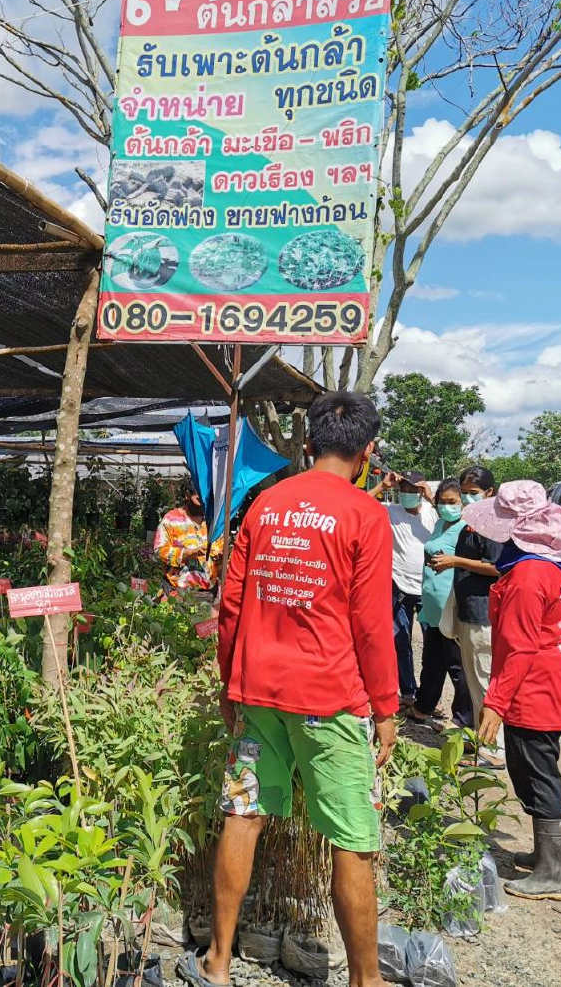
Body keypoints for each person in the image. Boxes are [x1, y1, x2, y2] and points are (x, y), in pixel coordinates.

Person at [178, 391, 396, 987]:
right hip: (330, 699)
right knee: (352, 838)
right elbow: (372, 624)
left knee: (244, 815)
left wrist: (230, 683)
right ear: (367, 452)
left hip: (258, 693)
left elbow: (231, 605)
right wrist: (385, 707)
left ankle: (218, 961)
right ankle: (366, 981)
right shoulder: (365, 514)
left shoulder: (265, 505)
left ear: (307, 445)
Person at [465, 481, 561, 901]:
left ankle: (555, 874)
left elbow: (519, 648)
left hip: (533, 689)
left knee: (536, 775)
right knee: (540, 769)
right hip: (552, 684)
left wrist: (495, 703)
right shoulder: (553, 564)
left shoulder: (527, 576)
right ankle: (545, 856)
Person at [428, 465, 504, 766]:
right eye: (465, 493)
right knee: (474, 681)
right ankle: (479, 737)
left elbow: (497, 567)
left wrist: (456, 561)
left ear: (489, 492)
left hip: (482, 614)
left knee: (484, 680)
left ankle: (494, 749)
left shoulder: (492, 526)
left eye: (473, 493)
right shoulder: (472, 523)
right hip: (468, 611)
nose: (467, 498)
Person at [404, 479, 472, 728]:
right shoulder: (441, 523)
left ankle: (464, 721)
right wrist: (431, 497)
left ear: (463, 503)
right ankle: (423, 706)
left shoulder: (467, 528)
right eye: (442, 502)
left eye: (452, 502)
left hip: (451, 607)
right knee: (432, 661)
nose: (446, 507)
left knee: (457, 666)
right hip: (432, 606)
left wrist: (453, 561)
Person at [370, 470, 437, 705]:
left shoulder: (432, 512)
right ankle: (408, 692)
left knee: (433, 645)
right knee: (400, 642)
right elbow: (357, 504)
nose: (407, 493)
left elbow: (457, 523)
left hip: (428, 589)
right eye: (404, 489)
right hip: (398, 586)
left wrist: (431, 498)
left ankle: (428, 698)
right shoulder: (391, 511)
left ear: (420, 490)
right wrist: (382, 486)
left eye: (413, 489)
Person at [154, 484, 215, 596]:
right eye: (198, 499)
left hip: (208, 591)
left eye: (207, 500)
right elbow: (159, 550)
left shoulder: (213, 521)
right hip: (177, 590)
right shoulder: (171, 519)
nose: (203, 504)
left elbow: (221, 551)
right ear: (187, 495)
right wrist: (188, 553)